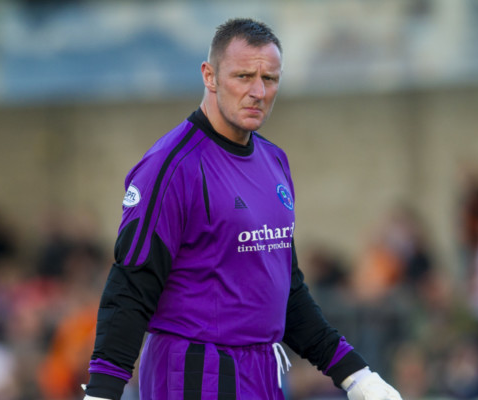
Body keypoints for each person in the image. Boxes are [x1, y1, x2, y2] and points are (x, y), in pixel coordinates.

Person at [83, 18, 402, 400]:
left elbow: (287, 289)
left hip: (263, 370)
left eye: (269, 79)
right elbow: (131, 286)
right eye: (243, 76)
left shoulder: (274, 161)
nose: (258, 91)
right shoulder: (171, 168)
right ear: (210, 76)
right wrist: (103, 391)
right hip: (194, 372)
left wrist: (356, 375)